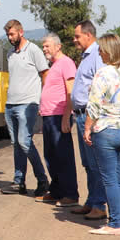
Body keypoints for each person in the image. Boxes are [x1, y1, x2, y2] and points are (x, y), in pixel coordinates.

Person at [84, 34, 120, 236]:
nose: (99, 52)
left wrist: (87, 128)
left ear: (108, 51)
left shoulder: (103, 74)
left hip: (107, 131)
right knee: (119, 178)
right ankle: (119, 220)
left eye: (101, 49)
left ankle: (115, 224)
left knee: (109, 179)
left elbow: (94, 106)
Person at [0, 20, 49, 196]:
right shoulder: (10, 54)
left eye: (12, 34)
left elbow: (45, 74)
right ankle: (18, 182)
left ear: (21, 32)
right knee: (16, 145)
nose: (10, 37)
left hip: (28, 104)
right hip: (10, 105)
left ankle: (43, 181)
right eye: (8, 35)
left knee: (24, 142)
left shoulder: (33, 50)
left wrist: (43, 100)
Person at [67, 20, 108, 221]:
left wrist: (93, 119)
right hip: (81, 115)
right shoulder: (86, 57)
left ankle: (99, 205)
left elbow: (101, 87)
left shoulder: (96, 57)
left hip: (89, 116)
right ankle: (92, 201)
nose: (74, 40)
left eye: (77, 36)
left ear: (88, 35)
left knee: (94, 163)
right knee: (87, 163)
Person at [36, 33, 80, 206]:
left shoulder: (66, 63)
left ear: (58, 46)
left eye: (47, 46)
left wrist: (66, 116)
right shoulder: (53, 65)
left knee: (63, 156)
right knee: (51, 156)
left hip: (59, 116)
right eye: (43, 46)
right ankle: (56, 191)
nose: (44, 49)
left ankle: (70, 194)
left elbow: (71, 91)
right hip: (48, 116)